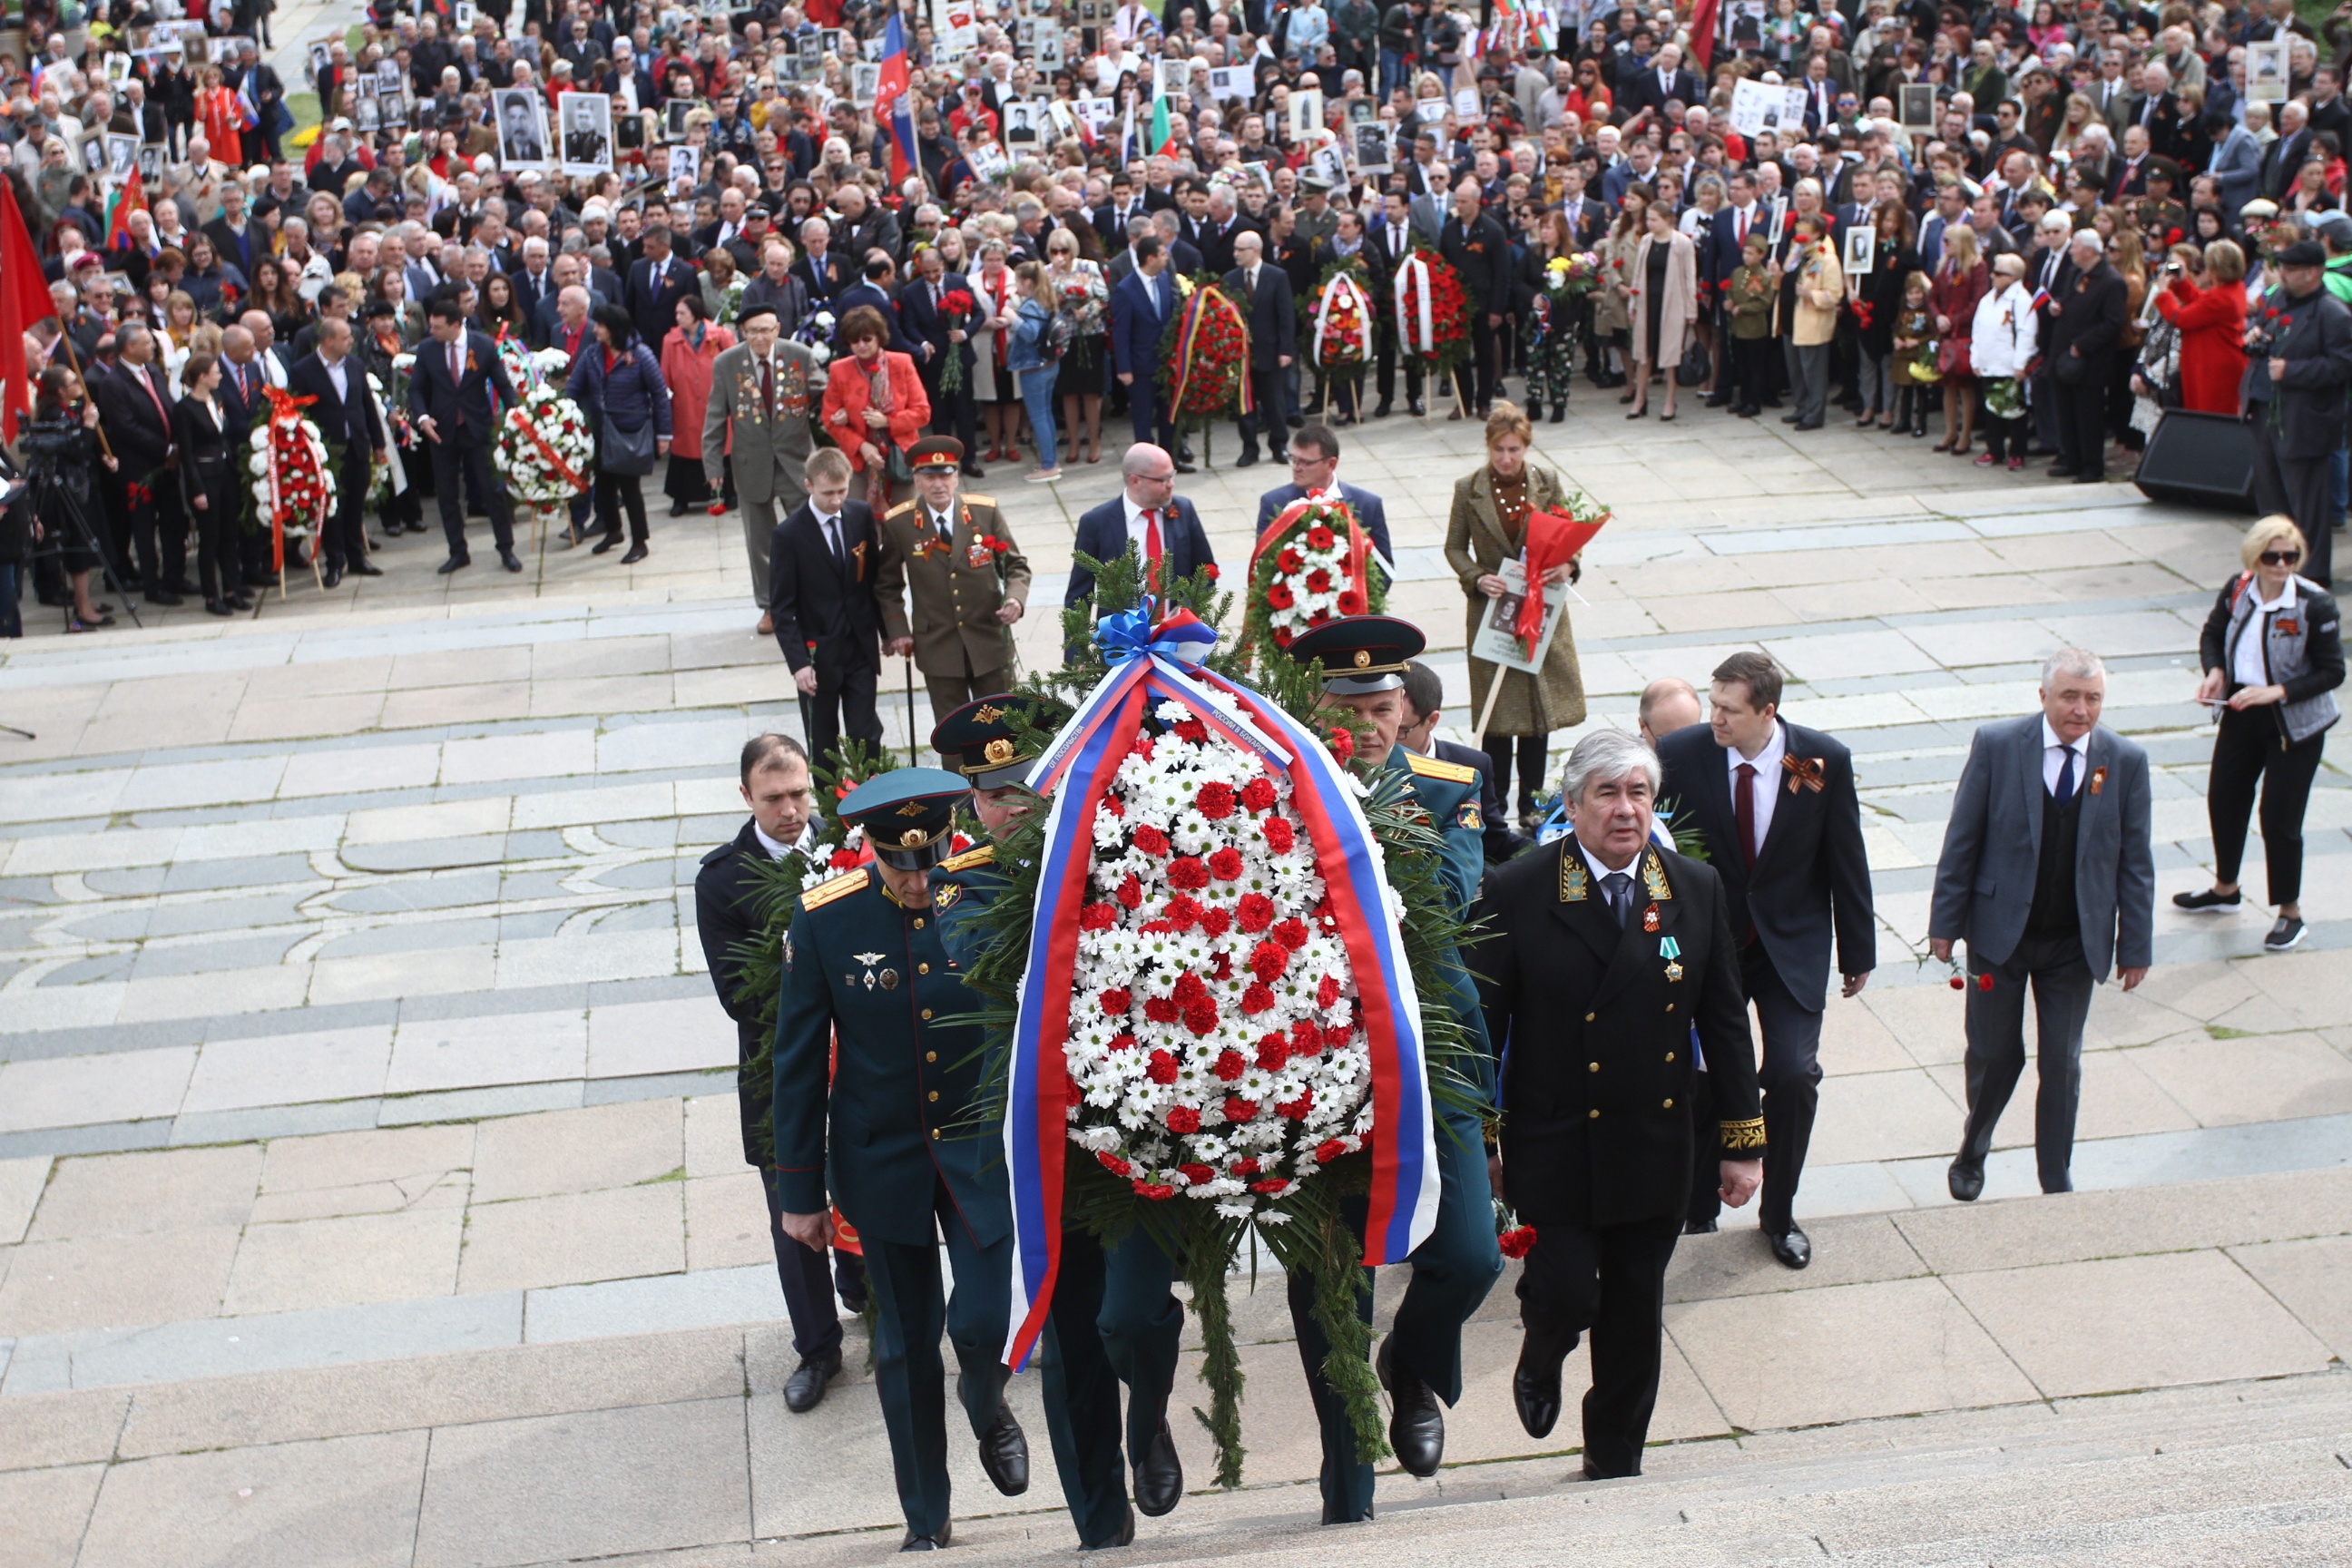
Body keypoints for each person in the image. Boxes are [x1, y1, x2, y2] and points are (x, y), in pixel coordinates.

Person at [1473, 726, 1764, 1476]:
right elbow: (1482, 1030)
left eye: (1639, 792)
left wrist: (1744, 1144)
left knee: (1636, 1312)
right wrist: (1483, 1143)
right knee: (1567, 1293)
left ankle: (1615, 1461)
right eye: (1607, 793)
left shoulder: (1693, 888)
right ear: (1572, 806)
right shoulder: (1520, 890)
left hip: (1654, 1141)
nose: (1626, 809)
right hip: (1556, 1141)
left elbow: (1725, 1025)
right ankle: (1544, 1348)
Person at [926, 696, 1170, 1546]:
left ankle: (1150, 1418)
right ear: (972, 804)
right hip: (1040, 1137)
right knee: (1068, 1332)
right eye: (995, 796)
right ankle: (1100, 1521)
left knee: (1135, 1315)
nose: (1014, 809)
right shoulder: (961, 883)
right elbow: (993, 958)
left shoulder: (1123, 844)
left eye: (1029, 788)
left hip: (1134, 1119)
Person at [772, 769, 1032, 1552]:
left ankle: (985, 1401)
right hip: (880, 1156)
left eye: (931, 862)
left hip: (978, 1150)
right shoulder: (827, 918)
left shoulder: (993, 891)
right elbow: (796, 1059)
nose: (919, 883)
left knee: (981, 1322)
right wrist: (799, 1191)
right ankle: (926, 1518)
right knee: (905, 1344)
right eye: (900, 867)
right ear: (871, 852)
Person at [1279, 615, 1502, 1516]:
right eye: (1348, 709)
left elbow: (1445, 895)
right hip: (1315, 1068)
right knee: (1332, 1284)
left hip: (1426, 1056)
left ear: (1406, 709)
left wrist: (1355, 824)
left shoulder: (1449, 789)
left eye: (1381, 707)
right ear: (1318, 711)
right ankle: (1348, 1486)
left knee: (1472, 1256)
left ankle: (1412, 1364)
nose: (1367, 726)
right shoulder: (1274, 800)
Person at [1656, 652, 1875, 1270]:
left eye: (1729, 710)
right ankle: (1699, 1205)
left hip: (1789, 946)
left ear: (1767, 712)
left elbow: (1845, 855)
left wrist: (1857, 950)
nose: (1715, 718)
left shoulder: (1821, 761)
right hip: (1711, 944)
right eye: (1713, 704)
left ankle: (1778, 1213)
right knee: (1700, 1075)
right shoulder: (1683, 754)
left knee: (1793, 1073)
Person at [1931, 648, 2154, 1200]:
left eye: (2093, 698)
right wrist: (1945, 921)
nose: (2081, 710)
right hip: (2000, 936)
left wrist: (2135, 945)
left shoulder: (2125, 760)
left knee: (2063, 1062)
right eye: (2070, 697)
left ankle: (2055, 1175)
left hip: (2074, 943)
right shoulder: (1999, 746)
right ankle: (1973, 1149)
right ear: (2044, 696)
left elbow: (2135, 862)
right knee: (1993, 1054)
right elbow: (1963, 838)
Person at [692, 734, 868, 1415]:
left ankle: (867, 1294)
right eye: (773, 799)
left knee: (867, 1189)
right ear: (746, 797)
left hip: (860, 1060)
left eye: (798, 794)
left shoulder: (854, 847)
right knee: (792, 1210)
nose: (791, 810)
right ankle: (818, 1348)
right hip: (778, 1071)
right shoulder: (722, 880)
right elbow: (739, 993)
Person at [2176, 518, 2345, 953]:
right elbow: (2213, 634)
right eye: (2272, 556)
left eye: (2291, 556)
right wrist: (2215, 671)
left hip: (2295, 726)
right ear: (2254, 556)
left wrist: (2278, 691)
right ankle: (2225, 889)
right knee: (2225, 799)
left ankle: (2290, 912)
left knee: (2279, 818)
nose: (2282, 564)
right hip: (2241, 713)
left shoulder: (2313, 604)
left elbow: (2333, 672)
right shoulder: (2239, 588)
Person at [1444, 402, 1585, 828]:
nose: (1506, 458)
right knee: (1496, 716)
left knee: (1536, 714)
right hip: (1494, 610)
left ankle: (1532, 806)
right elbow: (1454, 547)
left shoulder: (1547, 482)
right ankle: (1494, 809)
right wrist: (1477, 577)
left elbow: (1569, 537)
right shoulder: (1468, 488)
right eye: (1499, 450)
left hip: (1539, 607)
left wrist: (1569, 565)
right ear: (1488, 447)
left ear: (1526, 447)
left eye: (1514, 450)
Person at [875, 437, 1033, 728]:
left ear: (956, 477)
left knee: (1004, 730)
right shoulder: (900, 523)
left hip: (988, 640)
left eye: (945, 475)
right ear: (916, 480)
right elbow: (887, 585)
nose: (938, 485)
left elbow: (1016, 565)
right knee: (954, 734)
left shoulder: (984, 512)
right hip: (938, 647)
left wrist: (1015, 599)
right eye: (929, 477)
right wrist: (898, 630)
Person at [704, 305, 823, 637]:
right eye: (753, 331)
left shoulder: (800, 355)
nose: (759, 337)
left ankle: (813, 601)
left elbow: (825, 392)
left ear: (777, 329)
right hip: (751, 464)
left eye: (766, 330)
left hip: (796, 462)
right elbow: (715, 418)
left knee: (809, 535)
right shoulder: (726, 363)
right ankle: (771, 606)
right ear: (743, 332)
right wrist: (713, 466)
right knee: (761, 542)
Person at [2243, 239, 2352, 587]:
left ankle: (2313, 575)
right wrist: (2255, 335)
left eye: (2290, 270)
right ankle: (2275, 565)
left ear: (2313, 273)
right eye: (2282, 268)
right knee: (2270, 497)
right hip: (2265, 409)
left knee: (2308, 505)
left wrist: (2294, 371)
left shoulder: (2332, 313)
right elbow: (2267, 331)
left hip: (2304, 419)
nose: (2282, 275)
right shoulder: (2278, 297)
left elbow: (2342, 366)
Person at [770, 447, 886, 771]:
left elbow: (874, 580)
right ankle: (830, 801)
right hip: (817, 657)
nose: (836, 500)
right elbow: (782, 608)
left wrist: (889, 633)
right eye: (828, 493)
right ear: (808, 485)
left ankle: (871, 795)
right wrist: (798, 664)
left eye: (842, 491)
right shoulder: (788, 535)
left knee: (866, 734)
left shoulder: (860, 515)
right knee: (823, 743)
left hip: (860, 648)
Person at [407, 296, 522, 575]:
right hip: (442, 430)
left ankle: (506, 548)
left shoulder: (482, 346)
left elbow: (503, 385)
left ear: (456, 325)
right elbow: (416, 388)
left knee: (492, 491)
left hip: (477, 428)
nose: (431, 331)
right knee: (447, 495)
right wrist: (422, 418)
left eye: (437, 327)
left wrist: (517, 415)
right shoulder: (428, 349)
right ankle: (457, 551)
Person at [286, 316, 389, 590]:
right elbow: (298, 412)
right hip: (327, 451)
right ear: (328, 340)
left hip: (357, 444)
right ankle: (335, 562)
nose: (351, 341)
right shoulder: (303, 370)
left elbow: (367, 405)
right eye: (346, 338)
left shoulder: (355, 365)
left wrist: (378, 443)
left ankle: (357, 557)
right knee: (334, 509)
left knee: (355, 504)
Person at [566, 302, 671, 565]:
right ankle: (614, 530)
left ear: (614, 328)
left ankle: (639, 541)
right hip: (601, 432)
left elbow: (659, 395)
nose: (595, 329)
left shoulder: (641, 355)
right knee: (603, 486)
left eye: (601, 325)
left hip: (630, 432)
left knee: (629, 488)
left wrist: (664, 435)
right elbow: (574, 388)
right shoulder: (592, 354)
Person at [1065, 443, 1216, 625]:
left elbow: (1205, 571)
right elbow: (1078, 596)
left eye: (1172, 476)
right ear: (1135, 481)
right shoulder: (1096, 522)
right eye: (1162, 480)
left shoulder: (1183, 510)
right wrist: (1076, 642)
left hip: (1178, 636)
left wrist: (1184, 612)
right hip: (1121, 638)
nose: (1171, 484)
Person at [89, 322, 185, 606]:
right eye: (146, 343)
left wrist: (177, 442)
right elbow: (126, 427)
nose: (152, 347)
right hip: (140, 467)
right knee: (144, 529)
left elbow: (167, 406)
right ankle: (153, 585)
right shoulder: (113, 383)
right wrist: (165, 449)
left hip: (169, 463)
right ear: (130, 347)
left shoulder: (152, 371)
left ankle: (175, 576)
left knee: (173, 523)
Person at [1398, 660, 1520, 864]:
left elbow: (1495, 840)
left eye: (1401, 730)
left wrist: (1549, 851)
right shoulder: (1357, 762)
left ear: (1432, 720)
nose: (1386, 736)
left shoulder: (1470, 767)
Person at [29, 365, 120, 632]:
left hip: (82, 487)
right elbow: (75, 451)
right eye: (72, 381)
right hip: (69, 493)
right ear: (60, 390)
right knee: (79, 548)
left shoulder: (69, 409)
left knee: (88, 545)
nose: (79, 384)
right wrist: (88, 425)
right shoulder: (53, 415)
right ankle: (83, 607)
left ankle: (85, 600)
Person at [821, 303, 932, 509]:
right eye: (854, 340)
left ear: (879, 337)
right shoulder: (839, 370)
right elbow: (829, 420)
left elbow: (922, 412)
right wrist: (862, 446)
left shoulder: (901, 363)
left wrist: (888, 421)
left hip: (899, 456)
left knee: (903, 518)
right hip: (859, 460)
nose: (861, 345)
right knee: (858, 519)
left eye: (867, 339)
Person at [2043, 230, 2130, 484]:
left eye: (2075, 247)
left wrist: (2082, 345)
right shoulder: (2075, 273)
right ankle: (2072, 459)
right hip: (2063, 353)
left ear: (2090, 251)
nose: (2071, 251)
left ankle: (2092, 466)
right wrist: (2058, 306)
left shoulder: (2112, 282)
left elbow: (2113, 322)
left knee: (2088, 416)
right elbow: (2070, 300)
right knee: (2066, 412)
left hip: (2090, 361)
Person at [168, 351, 245, 616]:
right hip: (205, 477)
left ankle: (232, 589)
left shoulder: (217, 398)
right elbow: (187, 454)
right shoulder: (184, 409)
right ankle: (211, 595)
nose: (220, 376)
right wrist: (196, 489)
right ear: (202, 377)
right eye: (216, 372)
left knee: (229, 535)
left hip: (226, 473)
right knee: (210, 538)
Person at [1252, 422, 1394, 562]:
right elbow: (1263, 562)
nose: (1296, 468)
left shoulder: (1367, 505)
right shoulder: (1274, 503)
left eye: (1306, 462)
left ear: (1331, 464)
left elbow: (1384, 565)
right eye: (1294, 459)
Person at [1110, 235, 1185, 462]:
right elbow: (1121, 332)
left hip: (1165, 364)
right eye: (1162, 254)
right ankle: (1146, 466)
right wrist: (1124, 368)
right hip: (1140, 366)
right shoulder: (1126, 289)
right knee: (1143, 419)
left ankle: (1170, 460)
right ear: (1150, 258)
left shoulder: (1163, 279)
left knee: (1168, 416)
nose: (1167, 258)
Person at [2152, 239, 2249, 415]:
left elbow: (2180, 318)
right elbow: (2202, 302)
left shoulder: (2222, 298)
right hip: (2215, 363)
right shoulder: (2233, 288)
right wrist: (2182, 284)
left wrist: (2164, 294)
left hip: (2215, 369)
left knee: (2209, 416)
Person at [1226, 230, 1297, 466]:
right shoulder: (1230, 279)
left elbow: (1286, 316)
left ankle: (1279, 445)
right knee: (1245, 404)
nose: (1236, 254)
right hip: (1242, 354)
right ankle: (1249, 448)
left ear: (1255, 250)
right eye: (1235, 249)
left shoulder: (1277, 276)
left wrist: (1286, 350)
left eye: (1241, 249)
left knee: (1274, 402)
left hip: (1270, 350)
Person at [659, 294, 734, 516]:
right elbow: (665, 375)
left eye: (683, 313)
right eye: (677, 313)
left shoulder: (719, 335)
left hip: (716, 402)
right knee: (685, 451)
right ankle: (681, 498)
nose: (678, 317)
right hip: (686, 404)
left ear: (695, 314)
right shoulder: (670, 340)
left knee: (722, 448)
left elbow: (734, 365)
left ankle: (729, 493)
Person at [1626, 199, 1698, 421]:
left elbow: (1690, 278)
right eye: (1648, 219)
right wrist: (1633, 303)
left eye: (1654, 220)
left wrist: (1691, 310)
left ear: (1667, 220)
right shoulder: (1646, 241)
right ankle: (1640, 399)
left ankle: (1670, 401)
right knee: (1643, 353)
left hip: (1673, 303)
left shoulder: (1682, 243)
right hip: (1647, 302)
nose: (1650, 223)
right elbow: (1637, 274)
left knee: (1670, 354)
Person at [1971, 252, 2042, 472]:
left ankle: (2017, 452)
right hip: (1989, 362)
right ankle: (1994, 449)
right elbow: (1977, 331)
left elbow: (2027, 334)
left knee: (2015, 412)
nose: (1993, 276)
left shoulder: (2021, 300)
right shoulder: (1987, 299)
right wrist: (1976, 358)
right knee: (1991, 410)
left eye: (1999, 273)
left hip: (2010, 365)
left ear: (2013, 277)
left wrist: (2020, 365)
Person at [1781, 212, 1845, 431]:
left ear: (1817, 233)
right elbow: (1787, 276)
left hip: (1812, 322)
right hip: (1790, 318)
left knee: (1813, 371)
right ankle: (1801, 407)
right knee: (1796, 370)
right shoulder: (1796, 251)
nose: (1799, 233)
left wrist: (1811, 295)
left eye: (1805, 229)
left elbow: (1834, 295)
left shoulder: (1827, 258)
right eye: (1798, 228)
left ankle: (1815, 414)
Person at [1930, 225, 1990, 455]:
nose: (1945, 245)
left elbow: (1978, 301)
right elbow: (1932, 296)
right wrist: (1938, 316)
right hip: (1946, 331)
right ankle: (1950, 431)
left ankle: (1965, 434)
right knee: (1947, 385)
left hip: (1964, 332)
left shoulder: (1977, 267)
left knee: (1965, 386)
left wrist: (1954, 320)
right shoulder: (1945, 266)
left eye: (1949, 241)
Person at [1004, 260, 1063, 484]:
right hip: (1050, 365)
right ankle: (1051, 460)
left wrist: (1012, 317)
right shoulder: (1046, 299)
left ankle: (1048, 466)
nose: (1016, 286)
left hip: (1034, 369)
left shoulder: (1030, 304)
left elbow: (1031, 333)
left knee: (1038, 416)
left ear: (1027, 281)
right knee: (1046, 414)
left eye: (1017, 281)